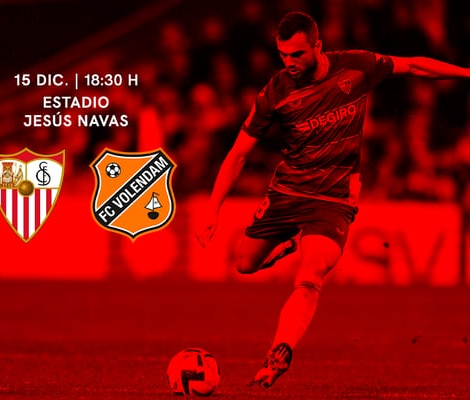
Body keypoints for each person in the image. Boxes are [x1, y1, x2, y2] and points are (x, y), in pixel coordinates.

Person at [195, 11, 470, 388]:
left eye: (297, 54)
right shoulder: (275, 92)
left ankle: (280, 351)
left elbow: (414, 66)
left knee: (310, 277)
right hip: (288, 191)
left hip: (334, 198)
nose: (289, 62)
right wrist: (213, 208)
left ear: (318, 46)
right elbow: (238, 153)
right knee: (244, 263)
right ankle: (290, 242)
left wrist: (467, 73)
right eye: (283, 54)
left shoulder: (356, 67)